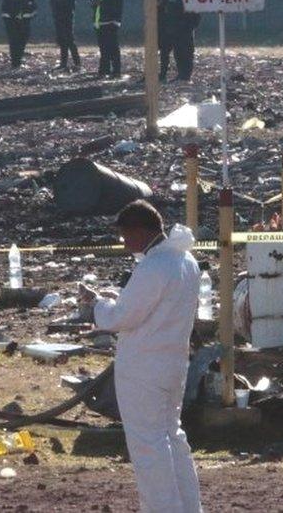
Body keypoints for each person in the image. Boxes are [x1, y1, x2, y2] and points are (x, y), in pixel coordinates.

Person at [80, 201, 203, 513]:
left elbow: (122, 317)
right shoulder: (185, 261)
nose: (124, 243)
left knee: (148, 445)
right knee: (172, 439)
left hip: (145, 368)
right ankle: (188, 507)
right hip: (173, 363)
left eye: (125, 235)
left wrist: (96, 305)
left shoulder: (154, 266)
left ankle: (164, 509)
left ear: (138, 230)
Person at [157, 0, 200, 82]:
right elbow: (166, 11)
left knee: (187, 53)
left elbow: (196, 14)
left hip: (186, 29)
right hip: (175, 30)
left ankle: (186, 76)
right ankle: (181, 75)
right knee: (178, 53)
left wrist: (191, 26)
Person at [0, 0, 35, 69]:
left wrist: (32, 10)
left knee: (23, 38)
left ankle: (18, 58)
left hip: (24, 16)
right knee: (13, 39)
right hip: (10, 16)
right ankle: (15, 62)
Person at [93, 0, 124, 77]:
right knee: (103, 48)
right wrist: (95, 4)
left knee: (113, 48)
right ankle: (104, 70)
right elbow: (99, 2)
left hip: (111, 22)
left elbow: (115, 6)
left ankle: (116, 71)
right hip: (101, 23)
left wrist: (100, 3)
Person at [49, 0, 79, 71]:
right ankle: (63, 63)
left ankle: (77, 62)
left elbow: (70, 6)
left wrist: (57, 2)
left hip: (66, 19)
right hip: (59, 19)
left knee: (70, 41)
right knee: (62, 41)